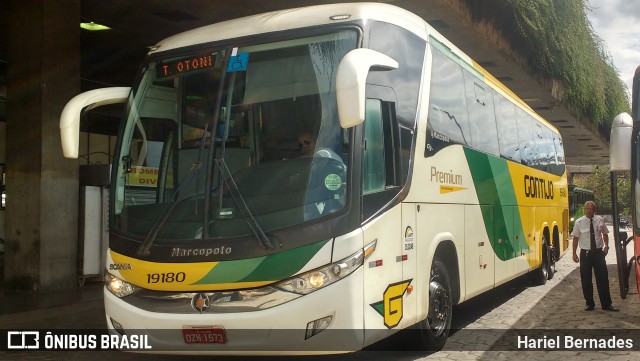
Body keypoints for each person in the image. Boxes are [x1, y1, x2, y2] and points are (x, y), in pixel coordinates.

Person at [571, 200, 619, 312]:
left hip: (598, 253)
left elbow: (605, 234)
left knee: (603, 279)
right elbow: (575, 238)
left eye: (591, 209)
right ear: (584, 209)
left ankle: (607, 304)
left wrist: (606, 246)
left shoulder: (600, 220)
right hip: (585, 254)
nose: (589, 211)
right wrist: (574, 253)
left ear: (594, 210)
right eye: (587, 208)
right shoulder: (579, 222)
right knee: (586, 279)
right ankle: (589, 303)